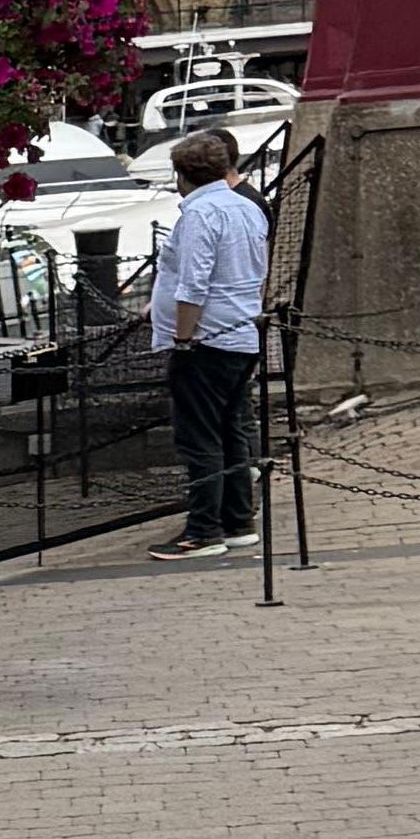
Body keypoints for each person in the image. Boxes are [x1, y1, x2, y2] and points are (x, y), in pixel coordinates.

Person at [151, 126, 269, 559]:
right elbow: (259, 271)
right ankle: (239, 520)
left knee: (199, 436)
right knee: (230, 429)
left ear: (182, 175)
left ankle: (203, 530)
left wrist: (183, 339)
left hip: (207, 342)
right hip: (241, 334)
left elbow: (193, 283)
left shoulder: (200, 214)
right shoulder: (247, 208)